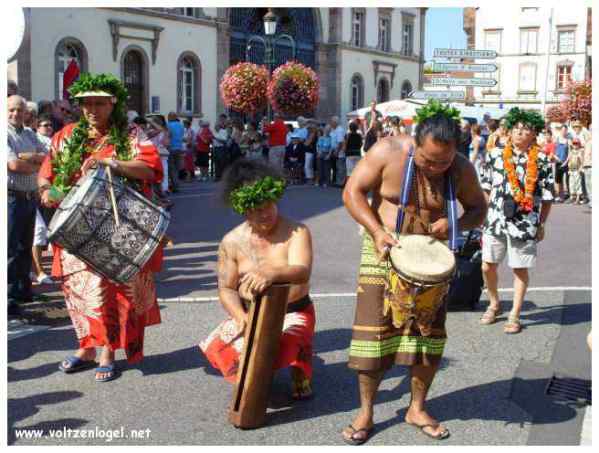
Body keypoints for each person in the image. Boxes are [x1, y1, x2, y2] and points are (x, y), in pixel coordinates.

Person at [341, 100, 487, 444]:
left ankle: (417, 407)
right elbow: (353, 192)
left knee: (428, 337)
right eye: (428, 160)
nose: (436, 168)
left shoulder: (462, 168)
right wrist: (377, 232)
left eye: (444, 161)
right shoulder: (388, 150)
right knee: (373, 335)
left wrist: (454, 223)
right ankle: (366, 411)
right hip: (384, 247)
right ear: (415, 143)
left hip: (431, 259)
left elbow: (478, 208)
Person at [38, 73, 164, 382]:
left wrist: (110, 163)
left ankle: (108, 348)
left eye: (99, 103)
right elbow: (46, 175)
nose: (92, 110)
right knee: (78, 289)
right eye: (86, 104)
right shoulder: (65, 135)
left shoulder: (130, 134)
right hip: (75, 229)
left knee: (108, 289)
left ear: (113, 103)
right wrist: (47, 191)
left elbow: (150, 169)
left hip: (118, 227)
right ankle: (86, 346)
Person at [199, 158, 315, 400]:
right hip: (251, 312)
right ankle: (255, 372)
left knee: (285, 341)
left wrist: (272, 273)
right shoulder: (231, 241)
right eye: (257, 210)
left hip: (293, 311)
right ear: (244, 209)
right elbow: (227, 289)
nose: (265, 214)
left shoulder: (297, 231)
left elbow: (302, 271)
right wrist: (241, 317)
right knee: (233, 352)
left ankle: (298, 369)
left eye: (268, 206)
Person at [480, 107, 554, 334]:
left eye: (526, 130)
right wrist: (484, 214)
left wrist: (541, 224)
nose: (521, 134)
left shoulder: (541, 160)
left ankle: (515, 313)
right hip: (495, 219)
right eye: (517, 130)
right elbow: (485, 187)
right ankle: (494, 303)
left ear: (534, 135)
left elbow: (548, 196)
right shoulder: (494, 154)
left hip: (525, 222)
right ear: (509, 132)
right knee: (487, 265)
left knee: (519, 269)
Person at [7, 95, 48, 317]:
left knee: (25, 246)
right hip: (11, 197)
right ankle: (8, 297)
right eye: (12, 110)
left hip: (30, 196)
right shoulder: (5, 133)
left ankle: (23, 290)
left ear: (26, 113)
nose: (16, 114)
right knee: (10, 248)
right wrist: (36, 163)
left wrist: (30, 156)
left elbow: (49, 157)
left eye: (20, 110)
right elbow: (13, 165)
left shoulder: (30, 133)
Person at [31, 113, 55, 285]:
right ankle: (38, 271)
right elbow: (17, 161)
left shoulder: (52, 139)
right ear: (37, 127)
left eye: (49, 125)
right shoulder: (34, 137)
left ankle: (36, 271)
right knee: (38, 232)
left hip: (53, 190)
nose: (48, 128)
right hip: (34, 190)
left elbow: (54, 160)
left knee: (50, 230)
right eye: (44, 125)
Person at [146, 115, 172, 206]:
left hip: (161, 156)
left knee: (162, 175)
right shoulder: (149, 131)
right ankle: (159, 198)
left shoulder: (164, 131)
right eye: (156, 122)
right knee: (155, 177)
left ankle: (161, 196)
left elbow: (166, 143)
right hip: (151, 156)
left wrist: (165, 136)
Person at [563, 138, 585, 204]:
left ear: (579, 144)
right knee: (571, 184)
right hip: (571, 170)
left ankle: (578, 198)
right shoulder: (571, 151)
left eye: (576, 144)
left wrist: (581, 168)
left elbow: (581, 161)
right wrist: (563, 164)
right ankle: (572, 197)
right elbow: (567, 159)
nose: (575, 145)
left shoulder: (580, 151)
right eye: (574, 143)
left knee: (577, 184)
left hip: (577, 170)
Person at [167, 111, 184, 192]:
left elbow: (168, 136)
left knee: (171, 168)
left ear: (170, 117)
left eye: (168, 116)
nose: (167, 118)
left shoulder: (168, 125)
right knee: (177, 168)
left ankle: (174, 185)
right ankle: (176, 184)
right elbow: (182, 135)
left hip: (171, 148)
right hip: (179, 148)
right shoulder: (181, 125)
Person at [554, 124, 570, 202]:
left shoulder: (568, 140)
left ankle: (565, 196)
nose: (563, 132)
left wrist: (566, 161)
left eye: (565, 130)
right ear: (560, 130)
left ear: (566, 131)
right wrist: (556, 158)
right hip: (558, 162)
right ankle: (559, 195)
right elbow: (553, 151)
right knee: (558, 180)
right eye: (562, 130)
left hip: (565, 163)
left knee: (566, 180)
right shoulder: (556, 139)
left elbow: (570, 152)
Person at [330, 116, 345, 187]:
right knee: (336, 167)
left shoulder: (339, 130)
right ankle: (337, 181)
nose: (331, 123)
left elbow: (340, 143)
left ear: (335, 122)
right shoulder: (334, 130)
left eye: (332, 122)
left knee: (340, 168)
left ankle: (341, 183)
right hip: (334, 151)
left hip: (339, 152)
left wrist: (337, 151)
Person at [304, 120, 318, 185]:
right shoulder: (310, 133)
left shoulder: (313, 133)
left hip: (311, 151)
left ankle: (309, 179)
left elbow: (307, 143)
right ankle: (311, 178)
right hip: (311, 151)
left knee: (308, 165)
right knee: (310, 165)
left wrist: (306, 142)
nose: (308, 128)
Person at [582, 124, 592, 207]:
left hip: (591, 166)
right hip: (586, 165)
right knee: (588, 184)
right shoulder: (587, 142)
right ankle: (591, 200)